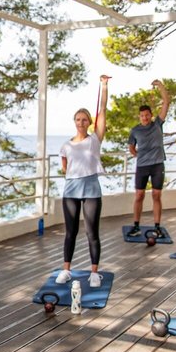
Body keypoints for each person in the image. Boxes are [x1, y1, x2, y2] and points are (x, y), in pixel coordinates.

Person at [56, 75, 111, 288]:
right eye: (78, 120)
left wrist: (104, 86)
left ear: (89, 122)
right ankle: (66, 270)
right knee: (70, 232)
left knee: (92, 233)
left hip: (91, 189)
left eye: (85, 120)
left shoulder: (95, 139)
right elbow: (65, 167)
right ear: (74, 122)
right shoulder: (66, 146)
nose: (81, 123)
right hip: (71, 190)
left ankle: (94, 273)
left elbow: (102, 110)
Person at [126, 79, 171, 237]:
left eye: (147, 115)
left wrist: (160, 86)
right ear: (139, 117)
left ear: (151, 115)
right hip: (142, 166)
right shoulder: (135, 130)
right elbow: (131, 147)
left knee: (156, 195)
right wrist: (137, 154)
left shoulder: (157, 124)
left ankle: (157, 226)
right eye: (142, 116)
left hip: (157, 165)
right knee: (139, 195)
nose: (144, 117)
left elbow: (166, 102)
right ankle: (136, 226)